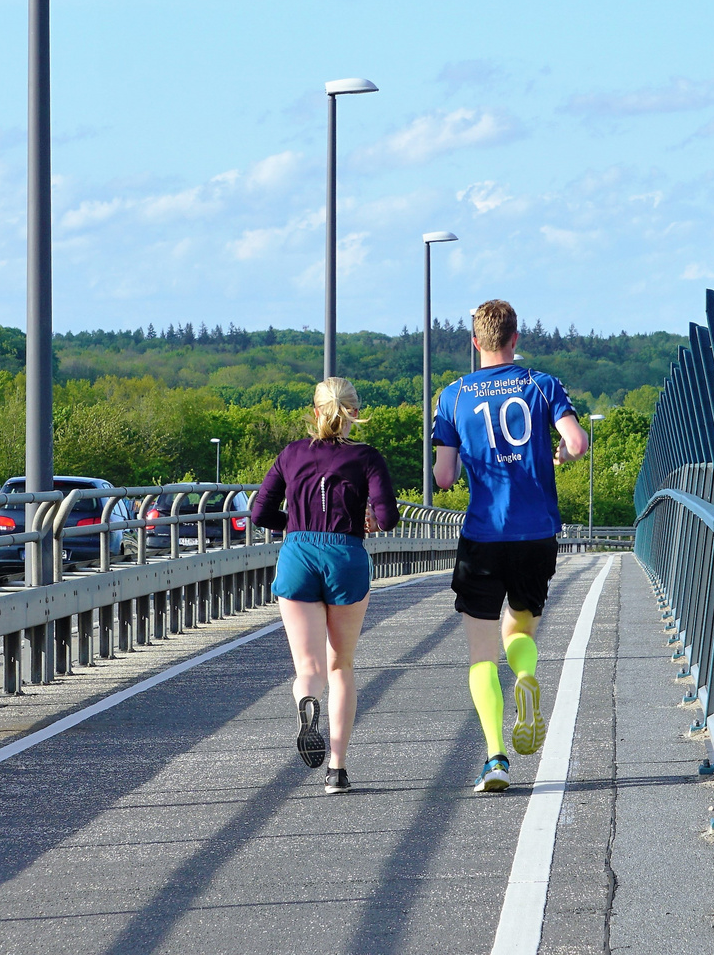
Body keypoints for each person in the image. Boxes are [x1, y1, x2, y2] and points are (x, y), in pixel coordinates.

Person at [432, 300, 588, 792]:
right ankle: (525, 676)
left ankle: (495, 758)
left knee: (481, 655)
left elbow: (444, 474)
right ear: (515, 339)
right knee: (518, 628)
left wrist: (452, 474)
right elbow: (577, 444)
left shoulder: (454, 397)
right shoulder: (542, 385)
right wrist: (559, 453)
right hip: (536, 533)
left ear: (475, 343)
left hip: (483, 535)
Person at [252, 377, 399, 793]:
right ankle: (337, 770)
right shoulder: (367, 457)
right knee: (341, 666)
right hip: (346, 557)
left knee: (309, 669)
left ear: (315, 412)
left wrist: (295, 525)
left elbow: (259, 512)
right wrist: (367, 517)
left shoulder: (290, 454)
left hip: (298, 555)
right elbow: (387, 519)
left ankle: (305, 702)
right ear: (354, 413)